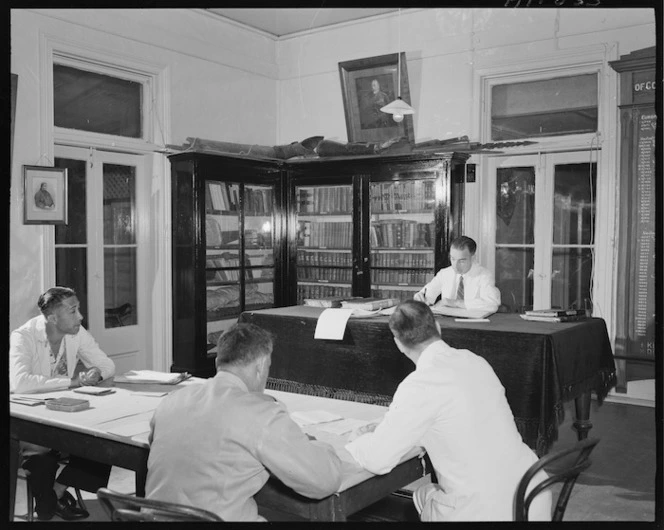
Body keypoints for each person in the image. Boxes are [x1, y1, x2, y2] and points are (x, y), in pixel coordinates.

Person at [345, 300, 551, 521]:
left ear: (398, 343)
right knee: (425, 495)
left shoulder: (418, 385)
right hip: (532, 492)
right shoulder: (475, 361)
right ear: (439, 328)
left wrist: (357, 440)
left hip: (484, 510)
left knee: (420, 497)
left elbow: (377, 460)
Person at [145, 323, 343, 521]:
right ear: (261, 365)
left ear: (218, 362)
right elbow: (325, 480)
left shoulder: (172, 400)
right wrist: (316, 444)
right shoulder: (261, 413)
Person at [10, 286, 116, 521]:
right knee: (40, 454)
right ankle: (49, 505)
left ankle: (55, 494)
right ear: (52, 318)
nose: (80, 316)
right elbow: (20, 383)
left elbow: (107, 365)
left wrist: (95, 374)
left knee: (106, 441)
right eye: (73, 310)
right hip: (30, 418)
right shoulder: (23, 336)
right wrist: (73, 381)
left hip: (66, 413)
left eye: (78, 309)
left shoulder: (77, 332)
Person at [413, 235, 501, 314]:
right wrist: (420, 297)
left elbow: (492, 303)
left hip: (473, 325)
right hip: (448, 323)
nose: (455, 265)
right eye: (453, 259)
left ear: (473, 258)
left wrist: (455, 303)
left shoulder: (484, 275)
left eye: (462, 261)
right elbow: (428, 295)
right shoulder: (444, 273)